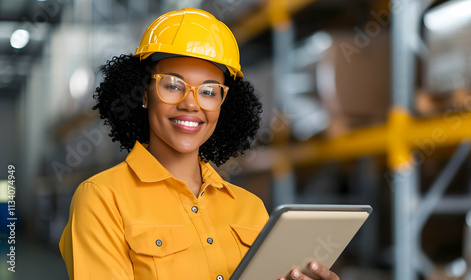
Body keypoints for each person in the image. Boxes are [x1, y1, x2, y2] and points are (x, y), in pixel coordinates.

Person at [59, 8, 339, 280]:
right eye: (172, 85)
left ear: (223, 105)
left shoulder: (251, 208)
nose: (191, 104)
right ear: (143, 95)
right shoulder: (101, 199)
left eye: (208, 91)